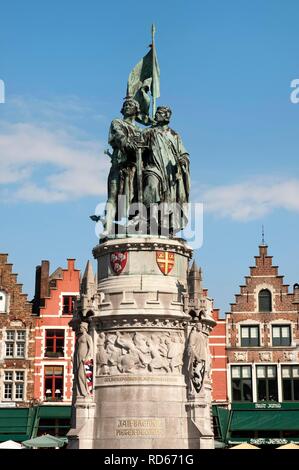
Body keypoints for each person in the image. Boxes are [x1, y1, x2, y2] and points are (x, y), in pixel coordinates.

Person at [142, 106, 190, 233]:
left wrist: (183, 161)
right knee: (151, 186)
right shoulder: (148, 132)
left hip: (170, 172)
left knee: (170, 199)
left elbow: (184, 153)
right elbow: (139, 147)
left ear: (167, 116)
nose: (157, 115)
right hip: (153, 166)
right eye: (157, 112)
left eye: (160, 113)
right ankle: (149, 219)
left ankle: (165, 225)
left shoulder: (174, 135)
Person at [103, 97, 141, 237]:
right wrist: (129, 144)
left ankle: (126, 224)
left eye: (130, 104)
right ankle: (107, 227)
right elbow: (119, 137)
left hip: (134, 167)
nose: (127, 106)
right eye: (125, 104)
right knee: (112, 196)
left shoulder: (139, 131)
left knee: (130, 197)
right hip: (118, 164)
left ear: (137, 110)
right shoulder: (117, 122)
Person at [186, 320, 207, 395]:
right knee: (195, 372)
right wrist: (196, 356)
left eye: (201, 326)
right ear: (196, 326)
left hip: (202, 356)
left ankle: (198, 387)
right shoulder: (193, 334)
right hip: (197, 357)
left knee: (201, 372)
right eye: (199, 326)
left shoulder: (201, 334)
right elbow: (191, 346)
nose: (201, 327)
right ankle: (193, 389)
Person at [74, 322, 93, 398]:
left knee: (81, 374)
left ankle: (85, 392)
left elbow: (91, 347)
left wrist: (87, 357)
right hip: (78, 357)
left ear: (85, 328)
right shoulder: (80, 337)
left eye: (81, 327)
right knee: (77, 375)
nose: (80, 329)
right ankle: (81, 392)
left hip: (84, 358)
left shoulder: (88, 337)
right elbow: (77, 349)